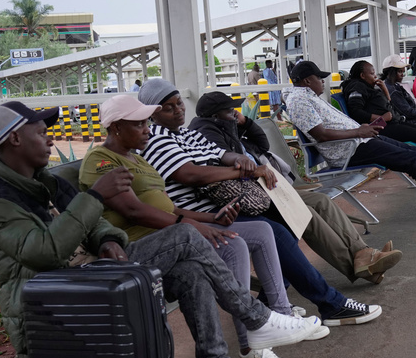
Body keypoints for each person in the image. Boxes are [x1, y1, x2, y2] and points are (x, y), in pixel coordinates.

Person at [0, 101, 321, 358]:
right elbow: (44, 252)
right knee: (186, 234)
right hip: (54, 295)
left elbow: (95, 225)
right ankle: (256, 318)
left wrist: (109, 239)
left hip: (95, 274)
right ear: (15, 138)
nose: (50, 140)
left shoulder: (46, 181)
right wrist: (95, 196)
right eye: (41, 133)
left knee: (189, 273)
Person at [80, 94, 316, 358]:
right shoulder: (100, 159)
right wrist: (188, 224)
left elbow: (169, 206)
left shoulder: (138, 160)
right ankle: (257, 319)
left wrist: (210, 219)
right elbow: (134, 211)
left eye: (146, 122)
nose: (147, 129)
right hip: (137, 246)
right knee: (191, 235)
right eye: (139, 124)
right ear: (116, 127)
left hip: (170, 237)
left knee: (237, 239)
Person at [137, 78, 383, 325]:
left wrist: (240, 160)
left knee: (288, 220)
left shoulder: (187, 134)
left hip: (226, 206)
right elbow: (189, 174)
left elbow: (220, 153)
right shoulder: (157, 139)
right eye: (168, 108)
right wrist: (246, 171)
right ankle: (331, 304)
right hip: (205, 215)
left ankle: (270, 302)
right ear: (151, 114)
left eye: (179, 103)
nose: (178, 109)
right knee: (276, 231)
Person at [189, 90, 403, 283]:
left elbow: (261, 145)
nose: (235, 113)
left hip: (268, 187)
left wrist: (244, 122)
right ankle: (363, 269)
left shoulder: (226, 126)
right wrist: (239, 141)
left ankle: (363, 253)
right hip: (251, 196)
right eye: (230, 111)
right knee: (306, 215)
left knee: (321, 201)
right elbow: (231, 164)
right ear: (215, 115)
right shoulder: (207, 132)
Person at [285, 61, 416, 219]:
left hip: (360, 141)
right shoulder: (299, 100)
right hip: (349, 149)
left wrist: (362, 131)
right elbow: (321, 135)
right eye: (318, 78)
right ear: (306, 81)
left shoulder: (308, 97)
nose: (323, 81)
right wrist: (358, 132)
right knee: (412, 159)